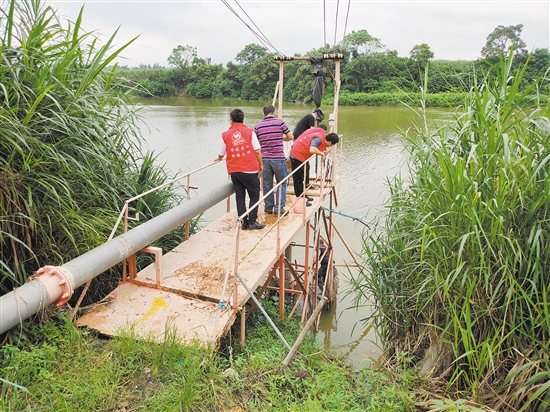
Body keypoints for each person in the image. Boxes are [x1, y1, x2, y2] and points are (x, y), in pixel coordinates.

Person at [217, 108, 265, 230]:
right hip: (249, 170)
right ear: (243, 119)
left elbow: (221, 153)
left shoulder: (225, 135)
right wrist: (261, 165)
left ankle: (243, 222)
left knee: (240, 196)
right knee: (254, 195)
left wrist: (218, 158)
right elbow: (257, 151)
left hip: (235, 171)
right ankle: (252, 221)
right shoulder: (250, 132)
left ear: (231, 120)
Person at [254, 105, 294, 215]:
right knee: (281, 183)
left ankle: (268, 207)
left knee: (267, 183)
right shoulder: (280, 123)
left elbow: (255, 143)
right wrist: (281, 138)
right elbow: (290, 136)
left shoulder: (258, 126)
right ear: (274, 113)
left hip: (264, 159)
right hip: (278, 159)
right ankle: (279, 208)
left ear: (263, 114)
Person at [289, 128, 339, 207]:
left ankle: (303, 196)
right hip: (296, 155)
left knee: (302, 177)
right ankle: (300, 199)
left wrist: (326, 150)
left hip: (302, 156)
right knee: (298, 178)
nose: (331, 146)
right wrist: (322, 154)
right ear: (329, 142)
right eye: (332, 145)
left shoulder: (323, 135)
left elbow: (323, 146)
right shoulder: (318, 139)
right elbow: (312, 150)